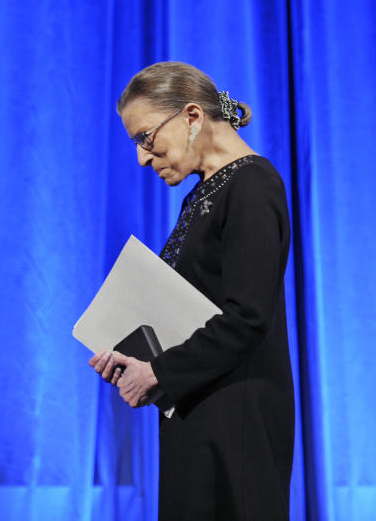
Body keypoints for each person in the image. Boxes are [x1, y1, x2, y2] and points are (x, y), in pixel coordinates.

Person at [89, 62, 295, 519]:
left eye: (145, 138)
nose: (143, 157)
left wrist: (160, 371)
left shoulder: (252, 185)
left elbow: (248, 317)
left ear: (192, 116)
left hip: (237, 422)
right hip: (200, 410)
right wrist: (136, 360)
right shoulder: (204, 192)